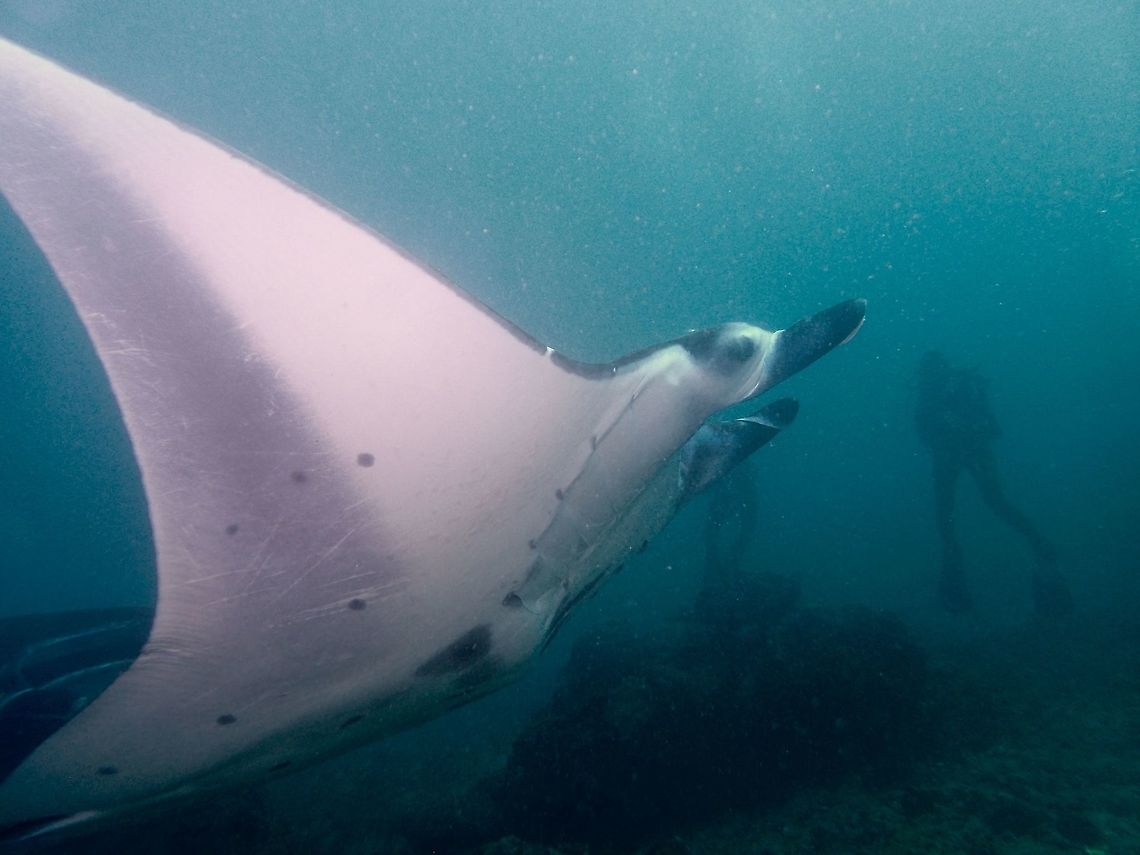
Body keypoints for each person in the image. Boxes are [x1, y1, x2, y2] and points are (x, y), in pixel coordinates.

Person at [914, 351, 1072, 616]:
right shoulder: (957, 385)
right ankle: (1041, 547)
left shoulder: (932, 391)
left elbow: (924, 431)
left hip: (952, 453)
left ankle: (955, 570)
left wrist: (949, 437)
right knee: (996, 504)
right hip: (973, 449)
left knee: (948, 513)